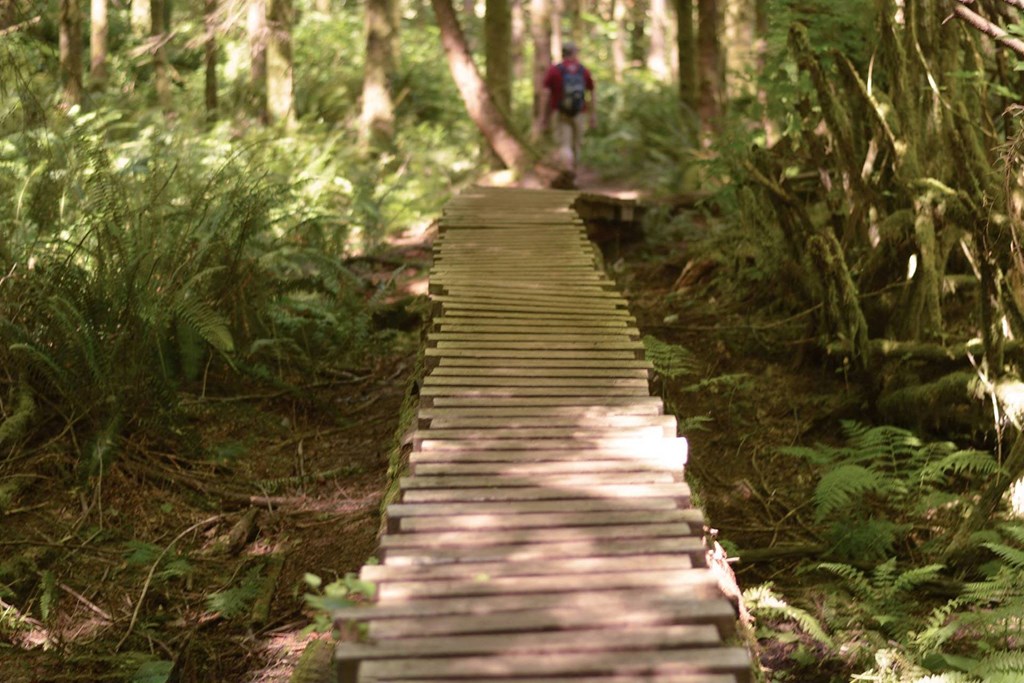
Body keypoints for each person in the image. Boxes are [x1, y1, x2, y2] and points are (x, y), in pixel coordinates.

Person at [540, 42, 597, 172]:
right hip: (580, 113)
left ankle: (567, 171)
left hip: (560, 113)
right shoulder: (583, 71)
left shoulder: (554, 70)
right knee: (576, 145)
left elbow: (546, 95)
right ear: (574, 53)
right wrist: (592, 115)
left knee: (564, 145)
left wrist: (544, 117)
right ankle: (574, 174)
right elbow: (592, 92)